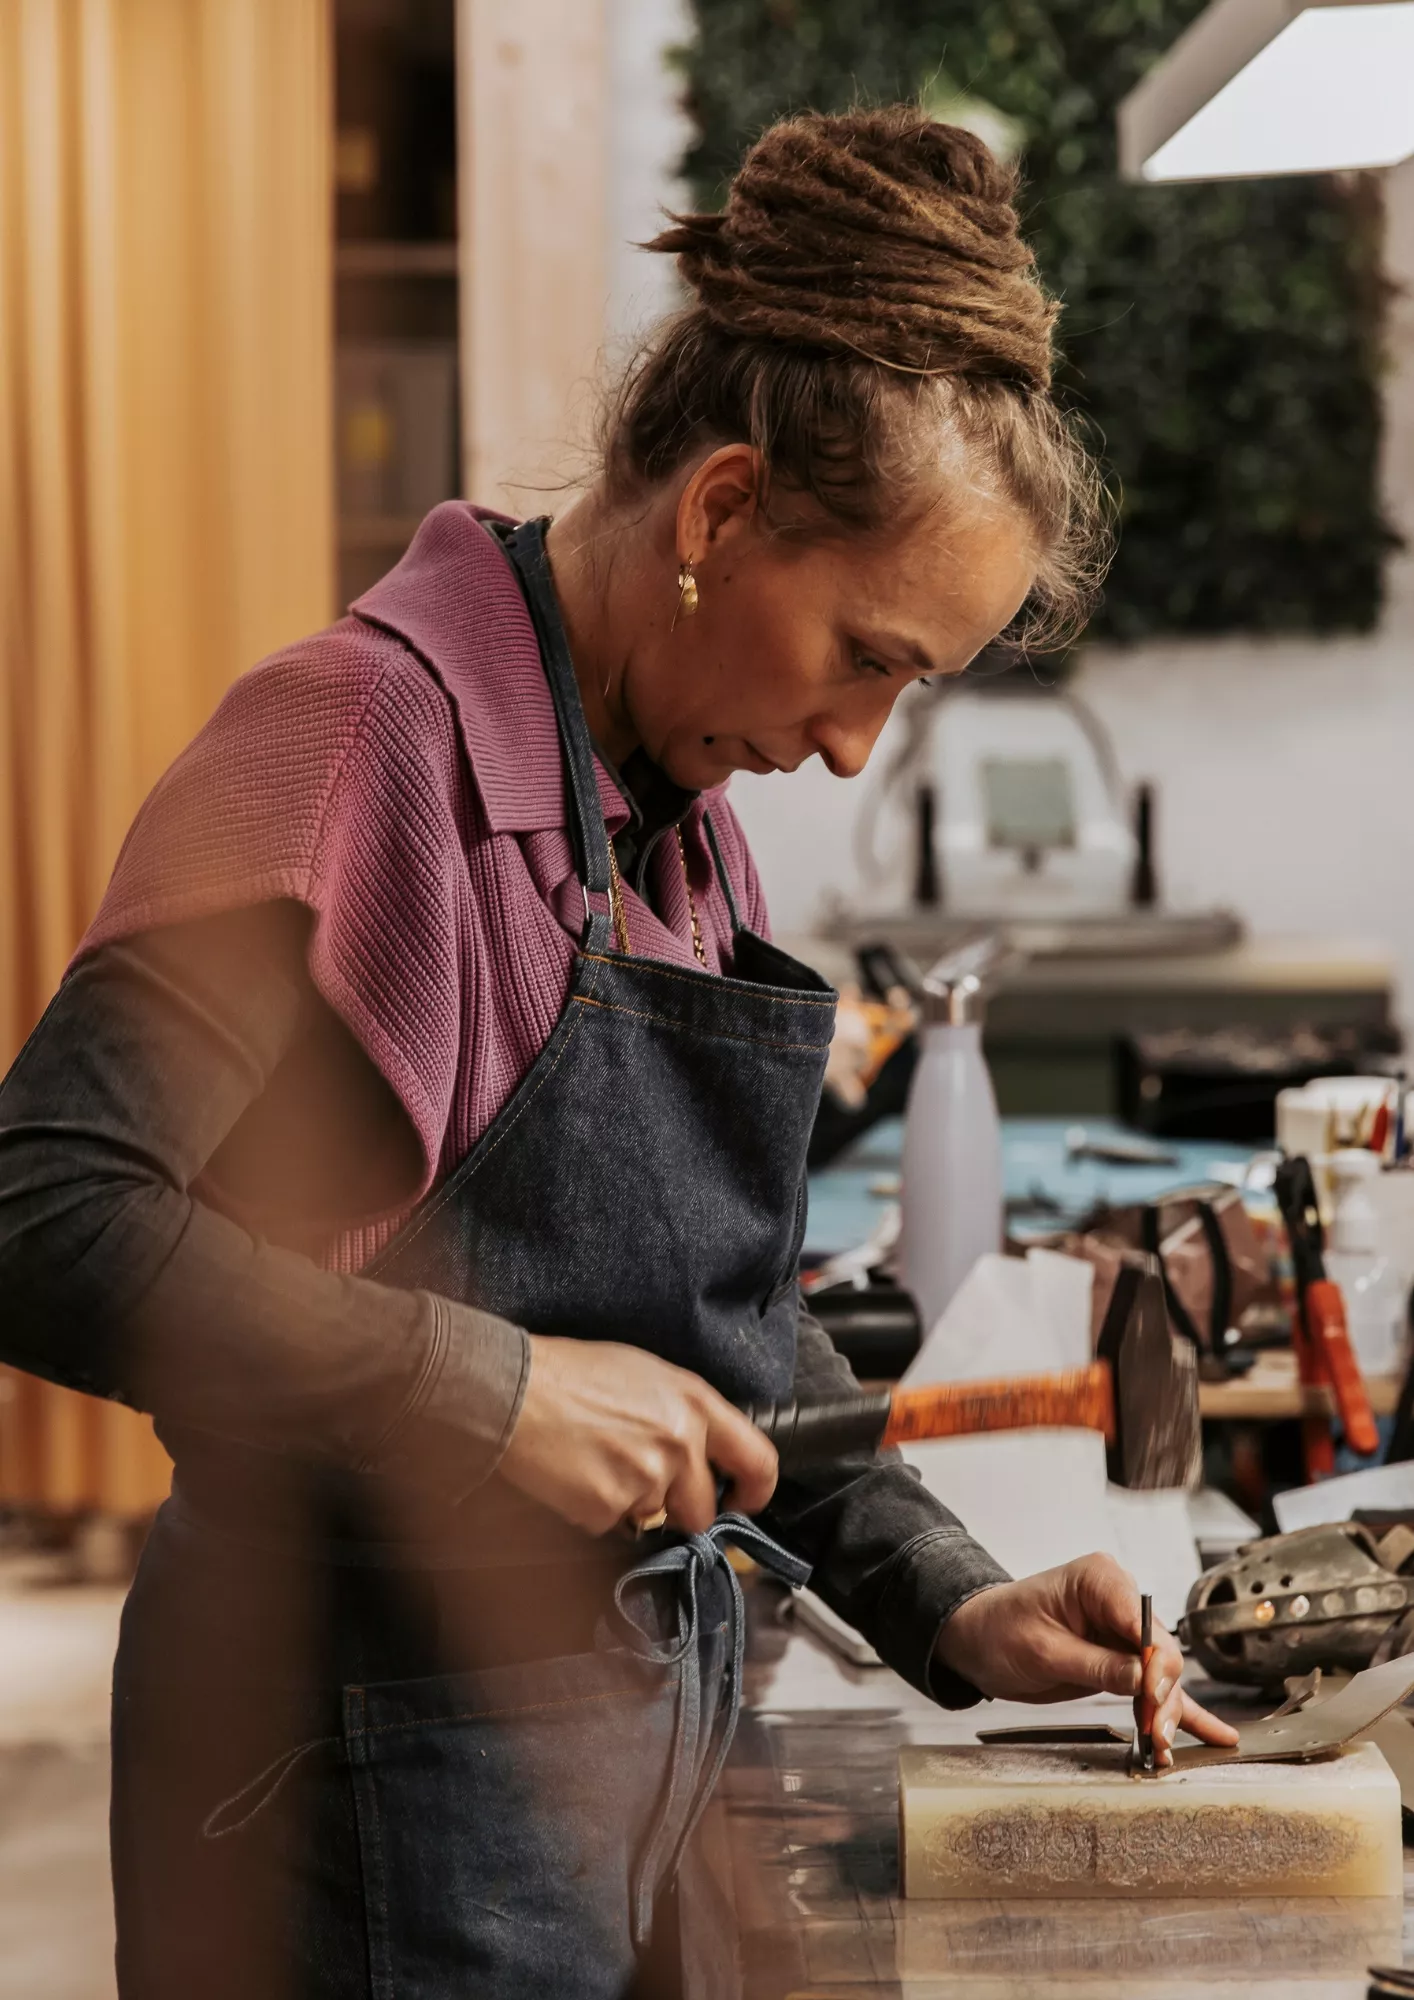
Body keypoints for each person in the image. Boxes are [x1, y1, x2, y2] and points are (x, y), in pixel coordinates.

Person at [0, 108, 1235, 1998]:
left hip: (614, 1758)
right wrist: (481, 1389)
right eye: (865, 656)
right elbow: (46, 1213)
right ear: (723, 511)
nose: (852, 746)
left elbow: (704, 1314)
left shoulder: (655, 797)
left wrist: (946, 1591)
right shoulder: (352, 749)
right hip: (346, 1770)